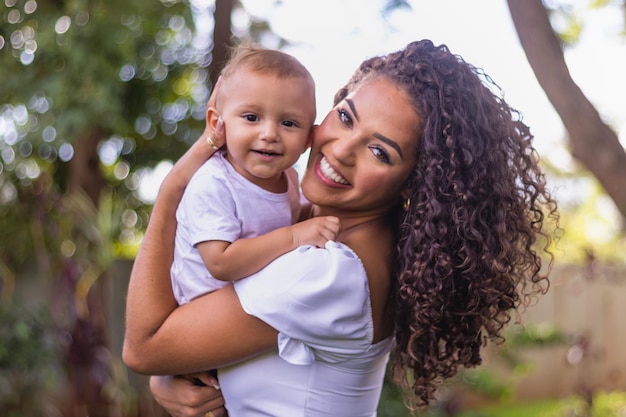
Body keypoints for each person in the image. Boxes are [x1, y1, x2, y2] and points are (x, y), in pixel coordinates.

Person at [123, 39, 559, 417]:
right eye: (346, 117)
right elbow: (181, 352)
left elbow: (143, 348)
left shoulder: (329, 272)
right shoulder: (319, 222)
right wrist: (174, 374)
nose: (342, 150)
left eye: (379, 152)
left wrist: (173, 189)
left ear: (417, 182)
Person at [171, 44, 339, 308]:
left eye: (288, 123)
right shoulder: (214, 183)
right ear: (218, 123)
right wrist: (296, 235)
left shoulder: (289, 179)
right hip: (205, 312)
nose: (270, 133)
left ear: (308, 139)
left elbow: (285, 219)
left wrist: (318, 218)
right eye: (252, 117)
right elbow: (220, 262)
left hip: (256, 299)